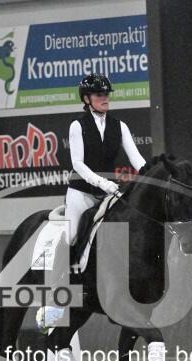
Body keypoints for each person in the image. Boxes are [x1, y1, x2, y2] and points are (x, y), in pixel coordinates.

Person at [64, 73, 147, 245]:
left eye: (106, 94)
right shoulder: (78, 126)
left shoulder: (120, 126)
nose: (105, 98)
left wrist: (151, 171)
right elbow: (78, 164)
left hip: (109, 193)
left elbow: (136, 158)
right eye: (99, 95)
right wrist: (102, 182)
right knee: (71, 237)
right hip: (82, 192)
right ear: (86, 99)